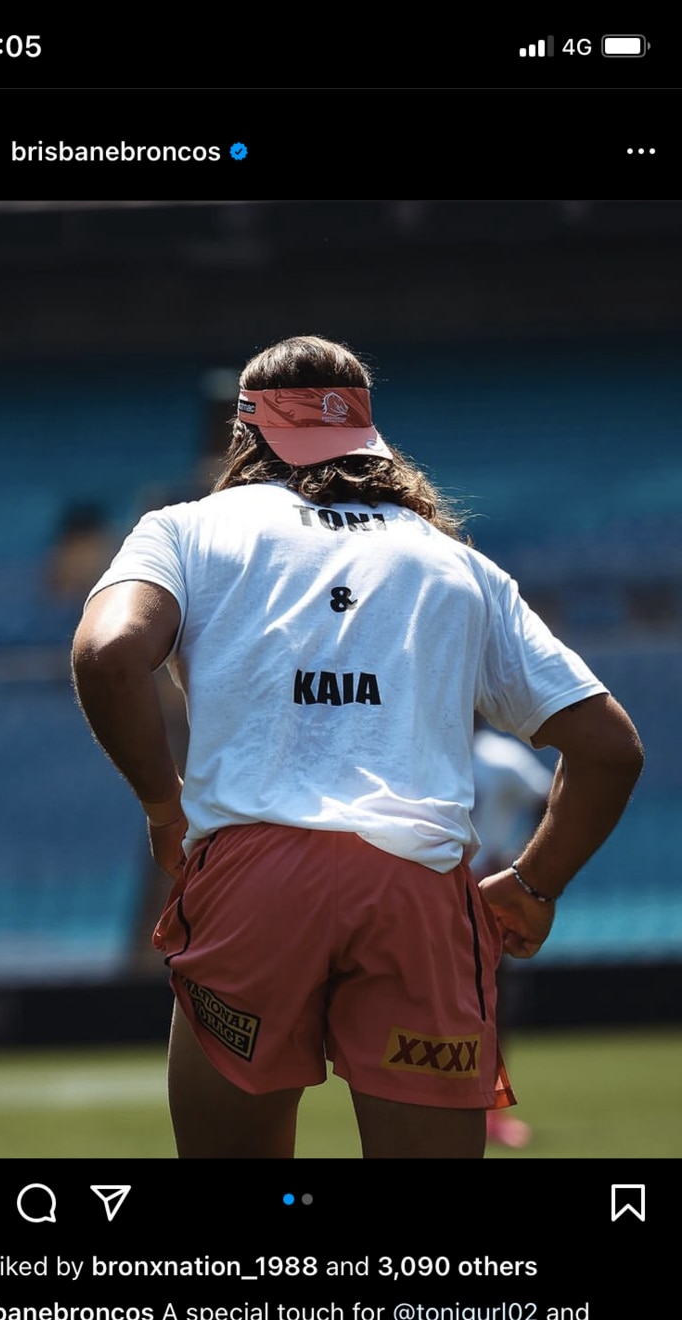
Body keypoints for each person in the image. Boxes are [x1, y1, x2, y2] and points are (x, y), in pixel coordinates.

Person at [71, 335, 643, 1160]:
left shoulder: (184, 531)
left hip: (251, 882)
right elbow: (610, 750)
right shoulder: (458, 565)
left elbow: (107, 652)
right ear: (369, 442)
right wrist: (534, 884)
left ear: (244, 436)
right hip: (418, 890)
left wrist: (165, 809)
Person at [471, 727, 554, 1149]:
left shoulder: (499, 758)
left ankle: (489, 1111)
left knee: (492, 1005)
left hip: (483, 896)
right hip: (421, 895)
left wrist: (524, 863)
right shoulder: (411, 744)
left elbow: (548, 800)